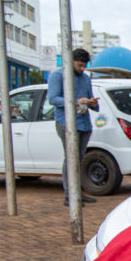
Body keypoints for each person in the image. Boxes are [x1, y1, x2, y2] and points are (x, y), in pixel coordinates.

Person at [49, 48, 96, 205]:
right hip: (66, 122)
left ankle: (77, 191)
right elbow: (53, 99)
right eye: (79, 65)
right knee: (70, 157)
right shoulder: (57, 75)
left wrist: (92, 103)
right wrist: (76, 101)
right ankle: (69, 194)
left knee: (79, 159)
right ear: (71, 62)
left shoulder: (85, 78)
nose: (82, 69)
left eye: (84, 66)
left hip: (84, 123)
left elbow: (90, 100)